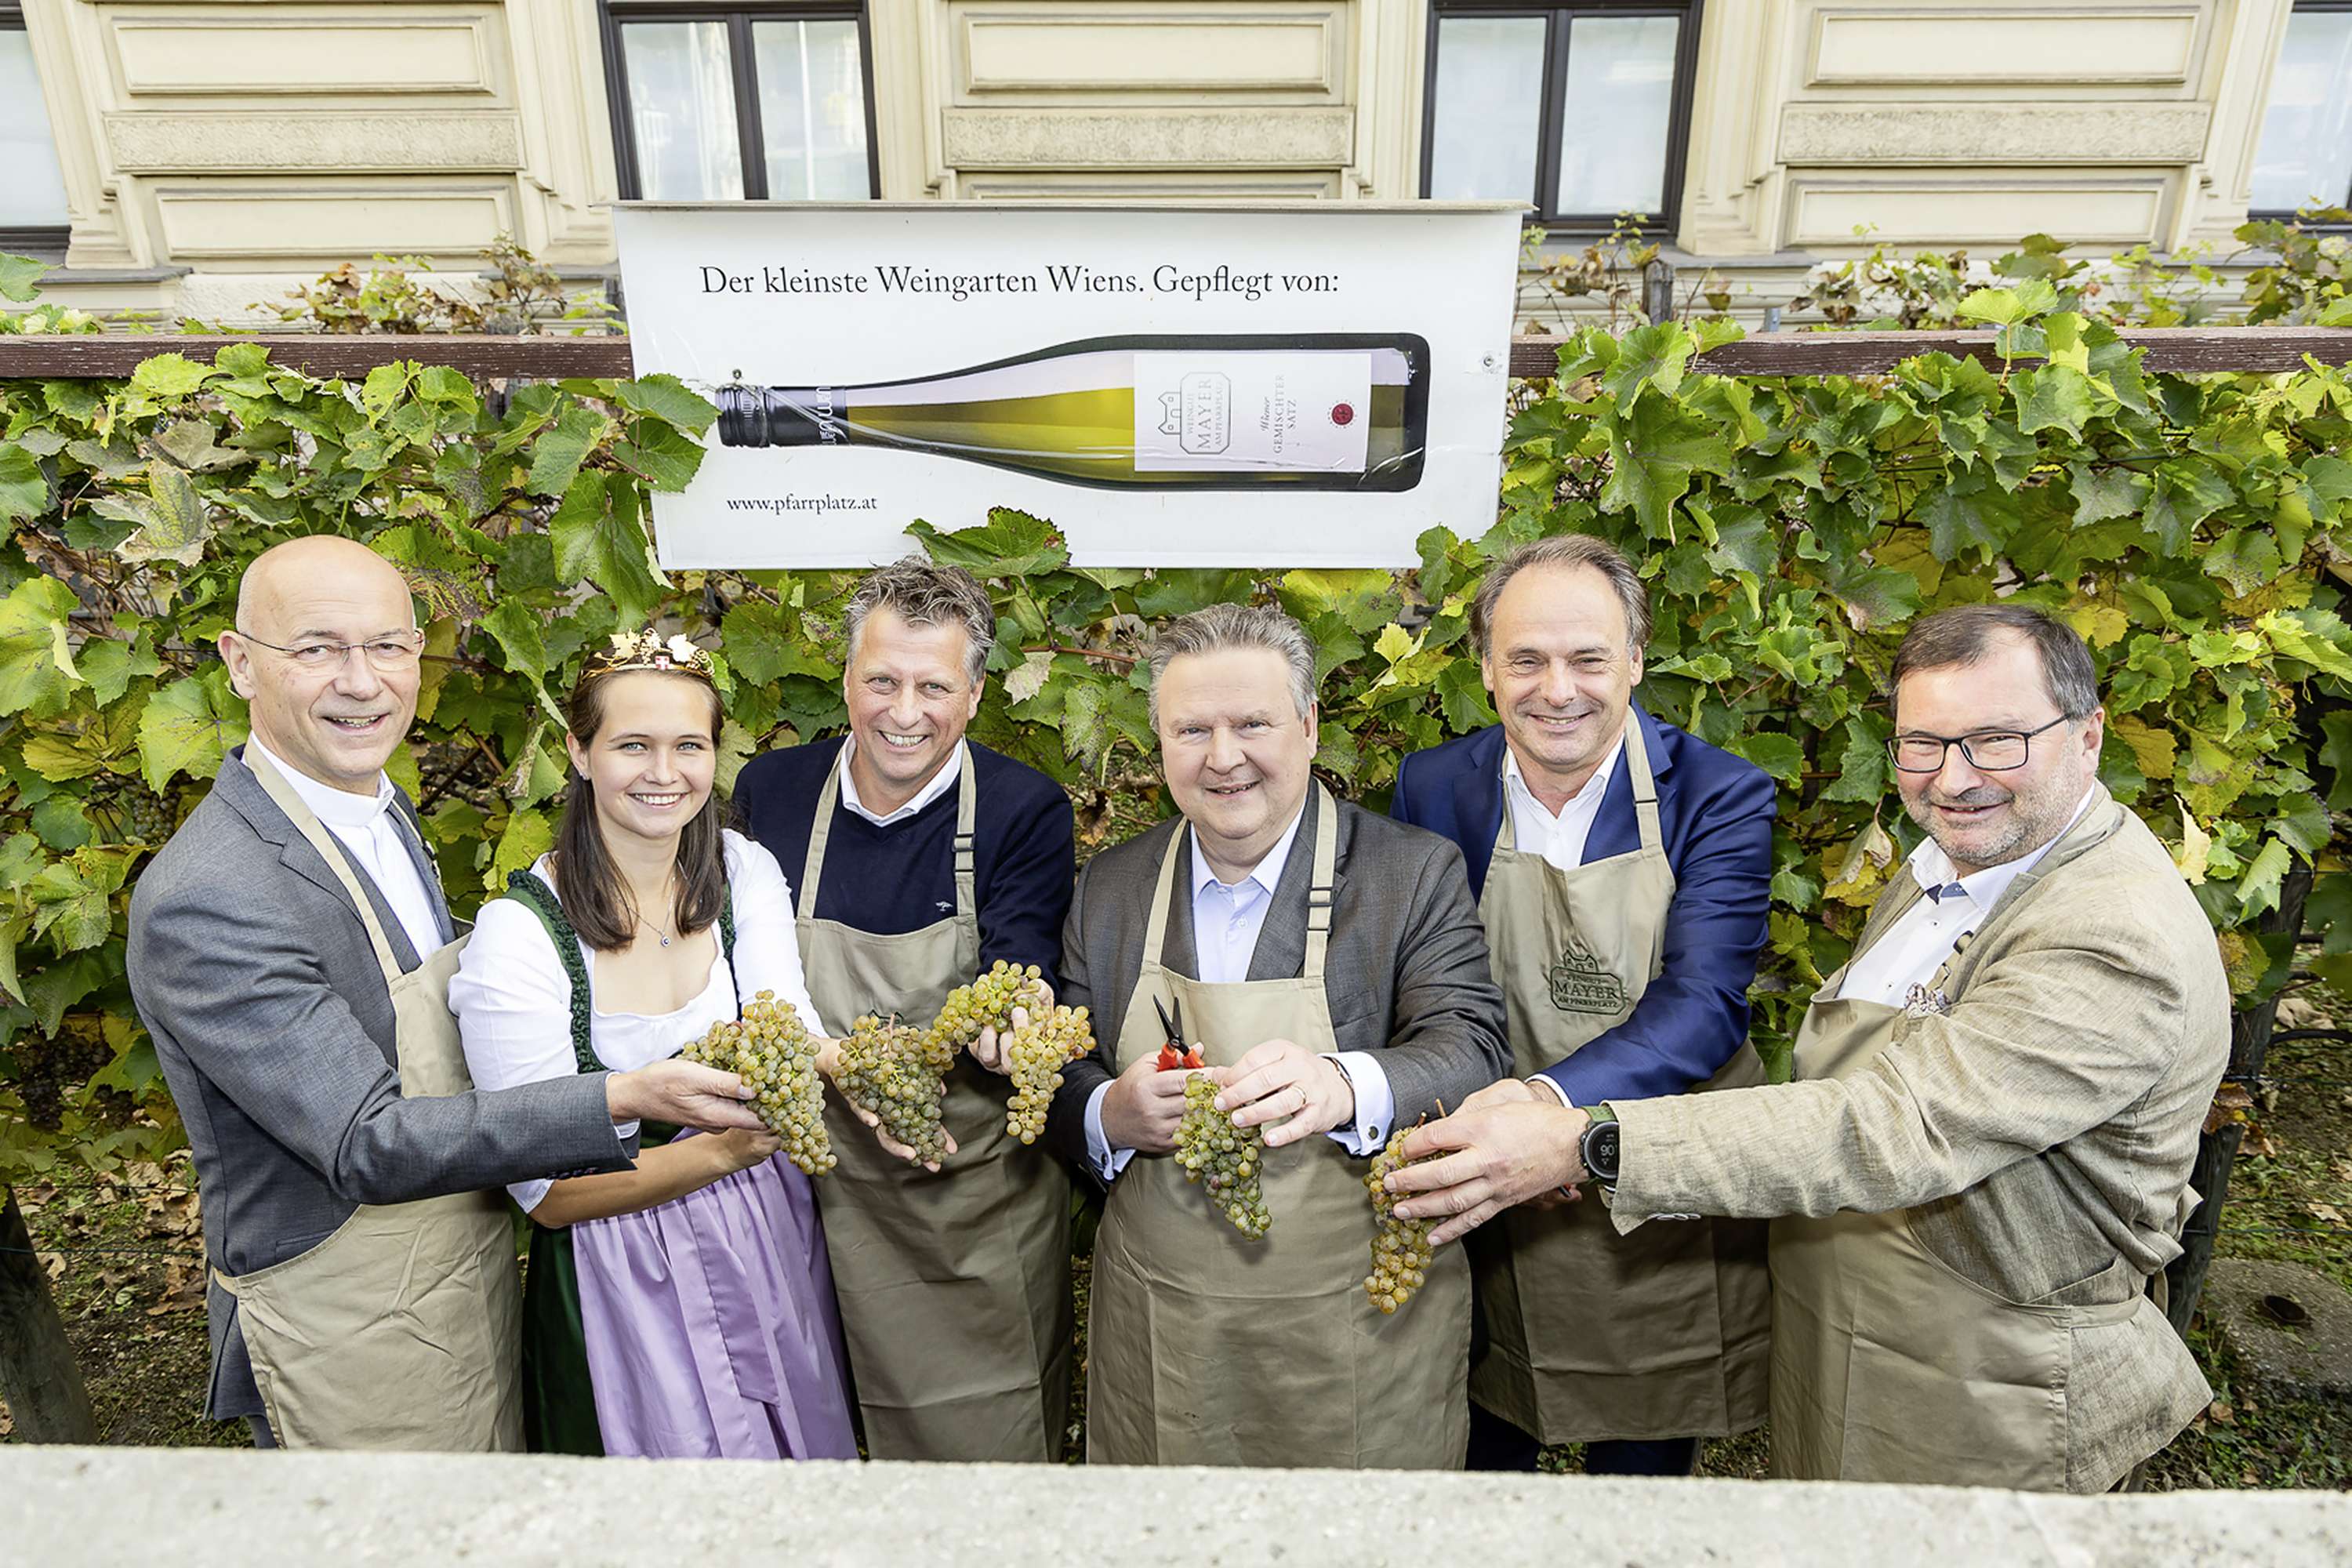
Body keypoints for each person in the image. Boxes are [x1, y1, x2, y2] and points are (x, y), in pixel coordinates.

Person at [1387, 604, 2229, 1493]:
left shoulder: (2111, 932)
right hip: (1856, 1347)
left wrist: (1587, 1138)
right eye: (1924, 743)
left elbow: (1893, 1125)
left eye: (1997, 740)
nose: (1956, 777)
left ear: (2090, 734)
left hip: (1990, 1384)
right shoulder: (1948, 869)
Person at [128, 537, 762, 1452]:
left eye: (387, 645)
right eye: (316, 648)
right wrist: (626, 1090)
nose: (362, 681)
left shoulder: (377, 807)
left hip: (462, 1268)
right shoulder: (213, 893)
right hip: (349, 1313)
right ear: (239, 664)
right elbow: (365, 1138)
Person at [1041, 602, 1510, 1469]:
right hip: (1164, 1327)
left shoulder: (1409, 872)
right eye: (1192, 729)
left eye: (1251, 722)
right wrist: (1110, 1111)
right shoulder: (1110, 885)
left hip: (1356, 1325)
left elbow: (1472, 1043)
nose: (1223, 757)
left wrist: (1344, 1083)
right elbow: (1063, 1066)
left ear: (1307, 724)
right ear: (1160, 738)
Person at [1390, 534, 1774, 1476]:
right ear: (1486, 667)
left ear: (1636, 659)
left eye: (1588, 657)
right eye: (1526, 658)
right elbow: (1422, 979)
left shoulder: (1719, 796)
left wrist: (1553, 1110)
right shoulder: (1435, 786)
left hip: (1649, 1161)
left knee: (1638, 1457)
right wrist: (1497, 1114)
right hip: (1486, 1151)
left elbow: (1706, 999)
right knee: (1487, 1426)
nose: (1557, 688)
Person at [449, 630, 858, 1460]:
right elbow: (547, 1192)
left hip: (765, 1229)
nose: (664, 773)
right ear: (580, 750)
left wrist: (872, 1076)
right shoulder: (522, 935)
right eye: (632, 744)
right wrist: (720, 1155)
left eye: (689, 746)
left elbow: (792, 1028)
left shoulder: (741, 870)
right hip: (622, 1254)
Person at [734, 558, 1077, 1461]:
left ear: (974, 693)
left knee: (978, 1448)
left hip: (956, 1192)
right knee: (808, 1433)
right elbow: (746, 974)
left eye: (933, 685)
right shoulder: (772, 794)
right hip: (795, 1177)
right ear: (845, 679)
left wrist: (1015, 1025)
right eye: (881, 680)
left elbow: (1019, 961)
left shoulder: (1019, 808)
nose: (903, 711)